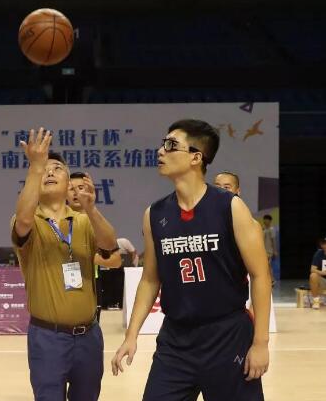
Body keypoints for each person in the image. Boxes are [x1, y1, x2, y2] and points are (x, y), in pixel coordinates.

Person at [112, 119, 271, 400]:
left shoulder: (230, 207)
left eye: (171, 145)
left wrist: (260, 343)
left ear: (196, 157)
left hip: (227, 335)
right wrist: (131, 335)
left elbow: (260, 275)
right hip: (176, 340)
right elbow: (150, 280)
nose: (161, 151)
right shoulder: (154, 214)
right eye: (163, 144)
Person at [12, 128, 119, 401]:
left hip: (89, 336)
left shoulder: (83, 221)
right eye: (44, 170)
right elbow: (22, 221)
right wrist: (35, 166)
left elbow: (110, 247)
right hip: (48, 337)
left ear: (68, 182)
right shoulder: (30, 221)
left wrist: (91, 208)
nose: (49, 172)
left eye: (57, 169)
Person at [67, 171, 122, 320]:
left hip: (90, 284)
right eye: (72, 189)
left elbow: (116, 261)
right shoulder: (56, 223)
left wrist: (86, 257)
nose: (76, 193)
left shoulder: (96, 224)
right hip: (61, 286)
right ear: (64, 194)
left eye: (81, 188)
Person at [309, 237, 326, 309]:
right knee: (313, 275)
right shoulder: (319, 253)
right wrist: (322, 273)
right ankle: (316, 301)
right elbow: (312, 269)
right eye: (324, 243)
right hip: (323, 281)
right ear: (321, 245)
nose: (325, 245)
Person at [262, 215, 277, 283]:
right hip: (263, 250)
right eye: (264, 219)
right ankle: (270, 279)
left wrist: (275, 250)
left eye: (266, 219)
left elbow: (273, 241)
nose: (265, 221)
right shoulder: (263, 229)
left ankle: (272, 279)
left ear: (270, 221)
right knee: (266, 266)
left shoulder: (271, 229)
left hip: (269, 251)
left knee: (268, 265)